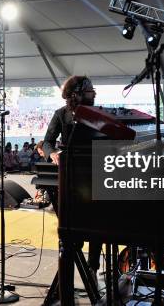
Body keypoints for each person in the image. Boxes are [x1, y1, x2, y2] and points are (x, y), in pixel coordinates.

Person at [42, 75, 101, 276]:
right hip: (71, 180)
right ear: (77, 93)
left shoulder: (98, 114)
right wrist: (53, 154)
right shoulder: (60, 115)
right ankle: (65, 279)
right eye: (90, 90)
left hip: (94, 178)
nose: (94, 93)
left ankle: (93, 268)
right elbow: (48, 142)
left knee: (96, 227)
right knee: (69, 232)